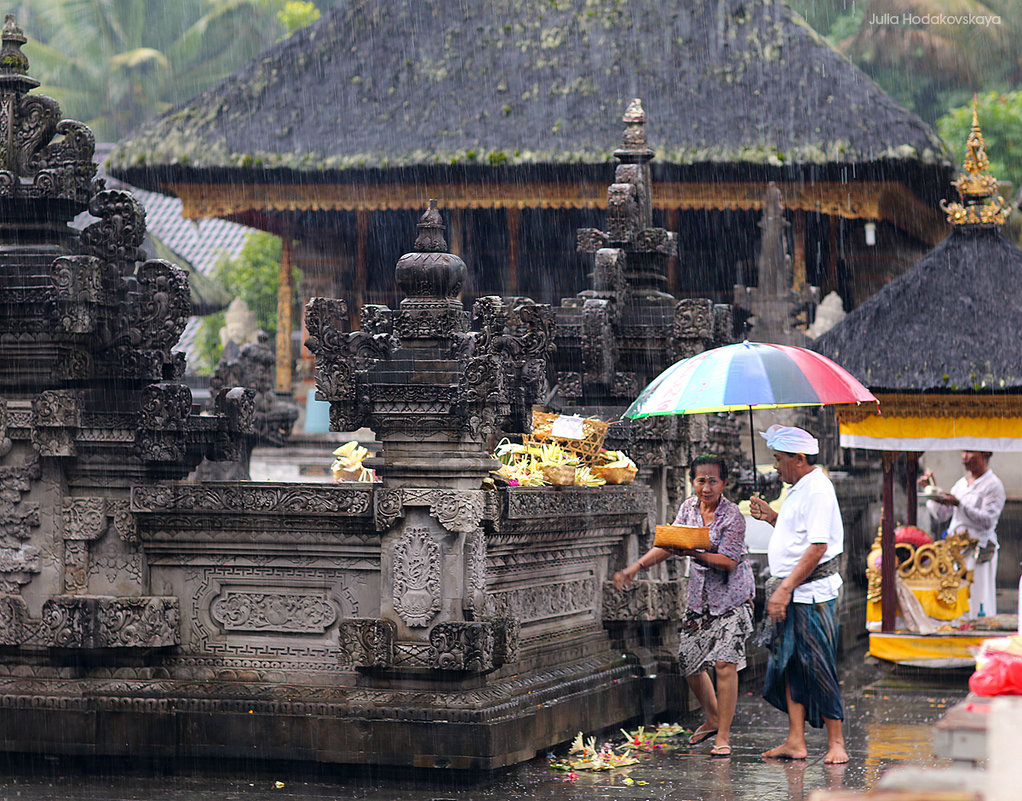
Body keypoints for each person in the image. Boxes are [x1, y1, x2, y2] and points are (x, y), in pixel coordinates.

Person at [614, 453, 754, 758]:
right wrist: (635, 568)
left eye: (713, 481)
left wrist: (693, 552)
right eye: (700, 480)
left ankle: (724, 736)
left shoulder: (733, 517)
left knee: (724, 665)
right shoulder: (688, 508)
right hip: (700, 599)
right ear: (692, 482)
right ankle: (714, 717)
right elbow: (669, 545)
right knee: (689, 661)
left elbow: (729, 562)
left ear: (724, 483)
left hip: (732, 598)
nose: (706, 487)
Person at [748, 425, 847, 764]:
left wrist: (785, 590)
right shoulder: (799, 488)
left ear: (799, 458)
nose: (775, 467)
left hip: (811, 595)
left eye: (778, 459)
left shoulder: (818, 489)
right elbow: (799, 535)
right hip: (793, 592)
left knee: (818, 664)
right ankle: (795, 740)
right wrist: (772, 516)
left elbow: (818, 546)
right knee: (789, 664)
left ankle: (837, 743)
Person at [920, 451, 1005, 618]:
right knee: (956, 593)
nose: (965, 457)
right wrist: (933, 494)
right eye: (963, 451)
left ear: (985, 455)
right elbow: (942, 515)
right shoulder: (961, 484)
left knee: (977, 594)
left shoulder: (993, 485)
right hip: (955, 550)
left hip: (977, 549)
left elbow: (987, 520)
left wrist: (960, 504)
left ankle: (978, 628)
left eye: (970, 451)